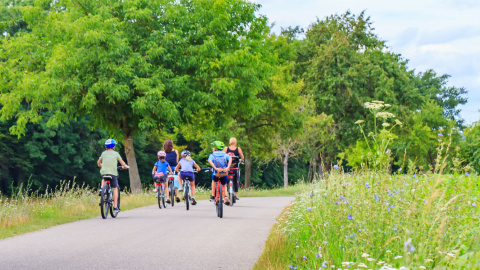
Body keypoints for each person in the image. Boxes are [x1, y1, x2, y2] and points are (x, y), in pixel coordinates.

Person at [97, 139, 128, 213]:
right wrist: (124, 167)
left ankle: (102, 189)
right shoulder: (116, 154)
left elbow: (98, 162)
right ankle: (115, 207)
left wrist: (101, 165)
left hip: (104, 172)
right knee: (115, 188)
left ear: (106, 147)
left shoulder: (103, 153)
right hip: (113, 173)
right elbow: (123, 164)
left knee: (104, 178)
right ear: (114, 147)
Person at [209, 141, 233, 205]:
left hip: (216, 173)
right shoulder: (225, 154)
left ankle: (213, 195)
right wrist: (227, 167)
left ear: (215, 148)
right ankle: (225, 196)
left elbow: (210, 160)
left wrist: (215, 168)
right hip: (224, 172)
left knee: (214, 180)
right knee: (224, 184)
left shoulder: (213, 154)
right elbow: (230, 158)